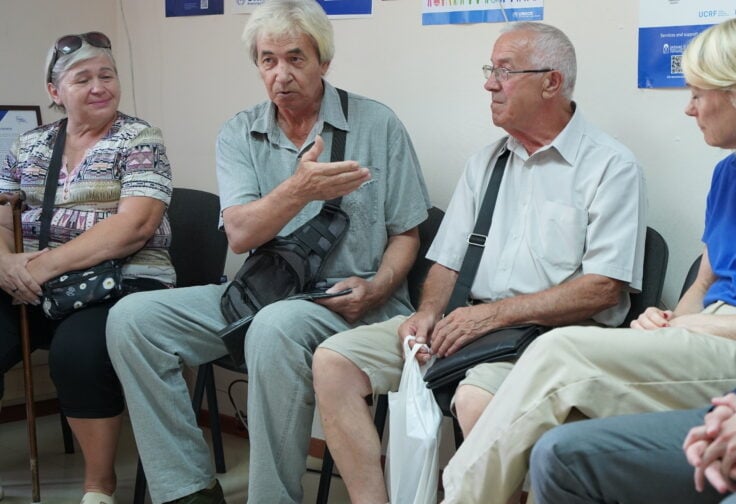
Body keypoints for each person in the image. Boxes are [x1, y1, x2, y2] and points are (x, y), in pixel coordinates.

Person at [439, 15, 736, 504]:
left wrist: (700, 329)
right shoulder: (732, 173)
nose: (689, 109)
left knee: (560, 353)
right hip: (705, 336)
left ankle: (456, 498)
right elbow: (707, 281)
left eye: (698, 94)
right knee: (546, 418)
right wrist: (671, 319)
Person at [105, 0, 430, 502]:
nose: (281, 74)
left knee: (276, 326)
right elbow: (239, 235)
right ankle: (187, 487)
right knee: (133, 320)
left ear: (324, 61)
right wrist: (297, 189)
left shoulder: (377, 123)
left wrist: (378, 287)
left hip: (352, 301)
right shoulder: (240, 132)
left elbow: (407, 231)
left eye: (296, 59)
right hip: (261, 290)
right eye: (268, 60)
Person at [312, 21, 647, 504]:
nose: (490, 83)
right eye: (491, 69)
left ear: (551, 82)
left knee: (476, 399)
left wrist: (491, 315)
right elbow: (446, 263)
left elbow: (602, 290)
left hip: (547, 341)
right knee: (335, 360)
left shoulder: (611, 167)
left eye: (504, 71)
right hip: (468, 325)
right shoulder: (486, 162)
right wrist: (428, 315)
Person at [0, 31, 174, 504]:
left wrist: (38, 268)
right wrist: (6, 263)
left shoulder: (140, 138)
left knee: (77, 352)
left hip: (121, 279)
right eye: (83, 79)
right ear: (55, 92)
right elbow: (0, 211)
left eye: (107, 75)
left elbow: (134, 227)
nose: (100, 86)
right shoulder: (29, 146)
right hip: (36, 282)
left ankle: (99, 485)